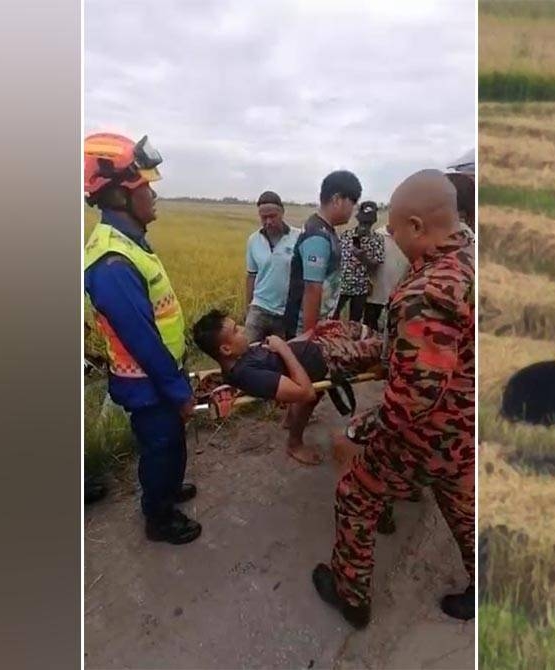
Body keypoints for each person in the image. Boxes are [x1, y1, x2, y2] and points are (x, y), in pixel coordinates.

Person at [312, 169, 476, 629]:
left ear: (418, 227)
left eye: (397, 228)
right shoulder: (471, 262)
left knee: (356, 492)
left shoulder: (427, 290)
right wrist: (369, 347)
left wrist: (357, 429)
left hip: (429, 432)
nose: (394, 238)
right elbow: (441, 351)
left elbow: (412, 398)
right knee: (463, 505)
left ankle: (351, 596)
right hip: (465, 426)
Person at [83, 133, 200, 545]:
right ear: (117, 197)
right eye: (144, 188)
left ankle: (167, 489)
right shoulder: (112, 263)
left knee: (171, 443)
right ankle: (158, 516)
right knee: (160, 447)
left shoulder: (131, 243)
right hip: (147, 383)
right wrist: (177, 389)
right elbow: (143, 340)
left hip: (160, 376)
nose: (153, 195)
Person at [191, 310, 382, 466]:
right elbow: (306, 393)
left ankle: (292, 424)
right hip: (329, 357)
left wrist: (304, 338)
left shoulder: (241, 356)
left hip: (316, 346)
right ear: (226, 349)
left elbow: (277, 359)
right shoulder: (248, 374)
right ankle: (294, 444)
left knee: (357, 329)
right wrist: (283, 348)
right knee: (381, 347)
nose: (242, 329)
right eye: (236, 331)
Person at [283, 171, 361, 340]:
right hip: (304, 329)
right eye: (353, 202)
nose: (354, 209)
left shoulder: (325, 230)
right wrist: (309, 338)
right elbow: (312, 289)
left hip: (317, 325)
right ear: (337, 199)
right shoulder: (317, 235)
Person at [243, 190, 300, 343]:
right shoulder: (253, 240)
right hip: (259, 308)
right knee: (247, 353)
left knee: (281, 358)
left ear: (282, 212)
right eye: (264, 217)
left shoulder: (298, 237)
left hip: (285, 312)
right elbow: (251, 275)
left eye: (272, 216)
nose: (268, 222)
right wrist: (248, 308)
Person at [334, 201, 384, 324]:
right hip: (341, 286)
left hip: (360, 289)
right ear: (358, 219)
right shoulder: (346, 235)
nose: (364, 226)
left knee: (354, 322)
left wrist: (363, 258)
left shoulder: (377, 239)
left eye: (367, 223)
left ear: (373, 222)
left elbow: (377, 265)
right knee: (332, 317)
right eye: (362, 222)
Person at [364, 226, 410, 333]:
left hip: (398, 293)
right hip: (376, 292)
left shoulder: (409, 236)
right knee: (370, 329)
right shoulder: (377, 235)